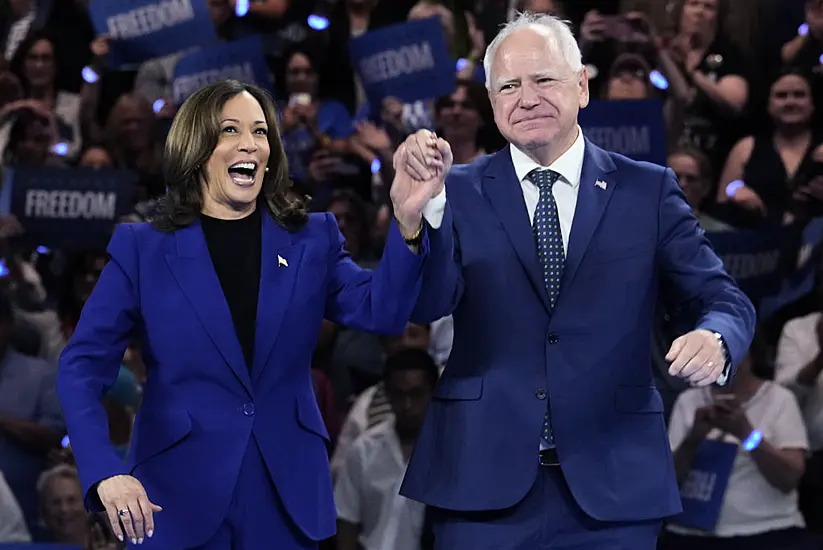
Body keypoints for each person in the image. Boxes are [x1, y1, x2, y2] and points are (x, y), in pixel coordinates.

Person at [395, 13, 757, 550]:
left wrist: (717, 336)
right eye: (509, 86)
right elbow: (427, 305)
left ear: (582, 86)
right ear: (492, 102)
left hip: (613, 485)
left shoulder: (647, 191)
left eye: (544, 79)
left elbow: (723, 297)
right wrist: (411, 222)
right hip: (483, 483)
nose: (527, 97)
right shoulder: (458, 190)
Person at [56, 79, 444, 550]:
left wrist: (407, 222)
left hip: (286, 499)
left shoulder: (311, 239)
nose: (250, 144)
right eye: (231, 131)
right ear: (196, 149)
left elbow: (382, 310)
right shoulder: (144, 248)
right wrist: (104, 472)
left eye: (260, 132)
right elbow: (81, 367)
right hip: (176, 499)